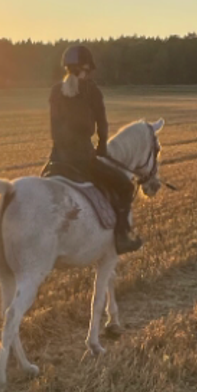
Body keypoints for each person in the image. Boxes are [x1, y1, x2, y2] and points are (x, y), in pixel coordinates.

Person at [41, 44, 142, 252]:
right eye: (88, 70)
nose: (88, 73)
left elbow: (54, 129)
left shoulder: (55, 91)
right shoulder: (91, 90)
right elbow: (102, 123)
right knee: (125, 186)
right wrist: (102, 145)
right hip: (83, 160)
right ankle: (122, 237)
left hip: (57, 160)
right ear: (84, 68)